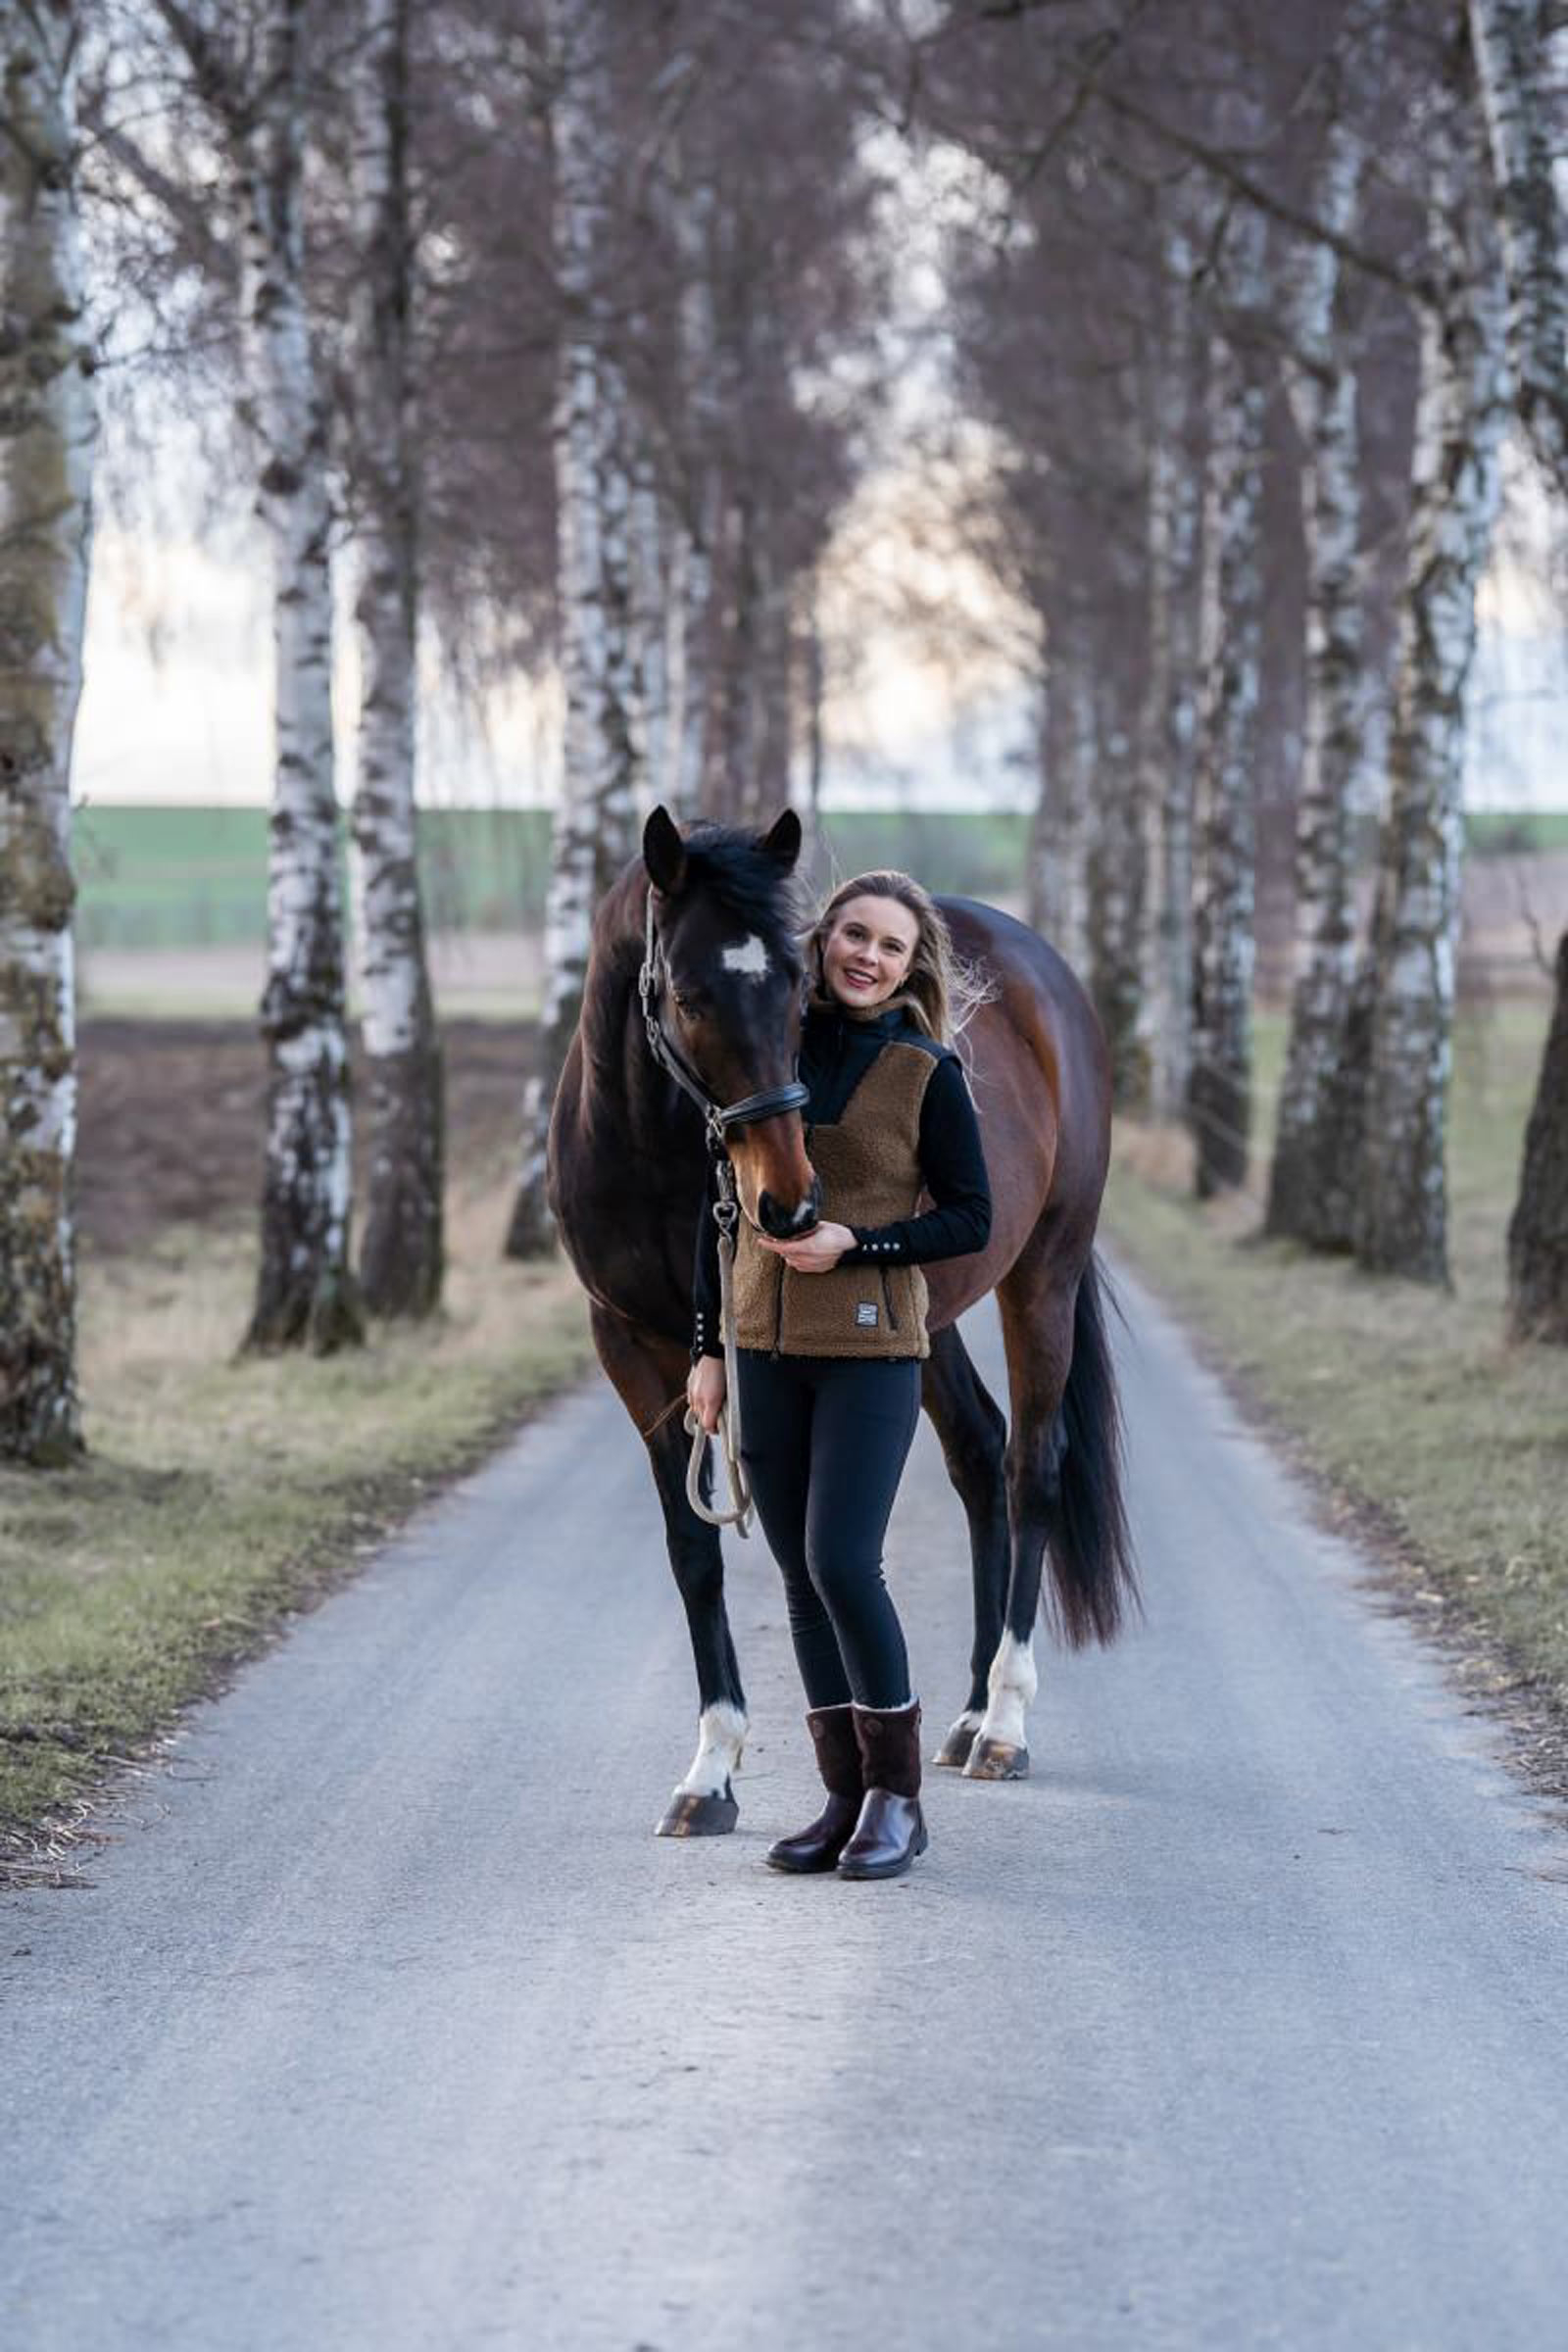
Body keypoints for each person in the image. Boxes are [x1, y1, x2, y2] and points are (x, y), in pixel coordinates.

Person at [685, 870, 993, 1880]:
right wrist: (705, 1349)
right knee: (795, 1576)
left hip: (870, 1351)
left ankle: (899, 1801)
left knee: (841, 1563)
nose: (866, 955)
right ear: (821, 940)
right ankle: (843, 1797)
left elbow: (969, 1218)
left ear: (911, 967)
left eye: (890, 946)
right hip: (761, 1351)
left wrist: (856, 1244)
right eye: (852, 934)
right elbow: (717, 1206)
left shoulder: (923, 1069)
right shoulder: (767, 1049)